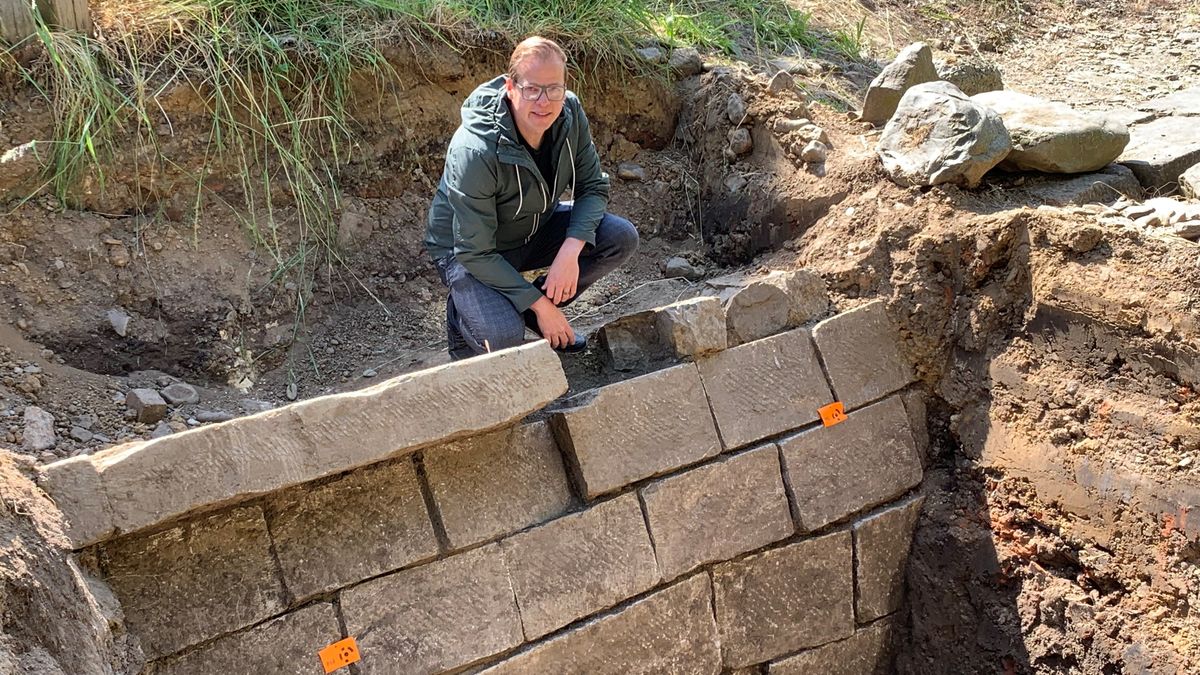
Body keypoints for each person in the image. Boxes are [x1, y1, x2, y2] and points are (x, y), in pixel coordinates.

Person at [425, 36, 639, 360]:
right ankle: (465, 317)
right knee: (504, 337)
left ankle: (524, 307)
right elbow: (474, 250)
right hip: (468, 250)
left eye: (554, 88)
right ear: (511, 87)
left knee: (619, 237)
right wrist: (542, 305)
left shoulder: (570, 114)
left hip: (532, 226)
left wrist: (571, 248)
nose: (544, 101)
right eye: (532, 89)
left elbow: (592, 187)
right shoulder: (474, 150)